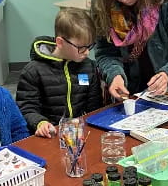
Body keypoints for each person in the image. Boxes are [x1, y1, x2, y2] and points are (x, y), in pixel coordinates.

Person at [16, 8, 103, 138]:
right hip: (50, 134)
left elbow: (94, 107)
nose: (87, 52)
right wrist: (40, 123)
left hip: (80, 133)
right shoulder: (33, 71)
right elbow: (26, 108)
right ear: (60, 42)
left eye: (89, 46)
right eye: (81, 47)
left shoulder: (88, 67)